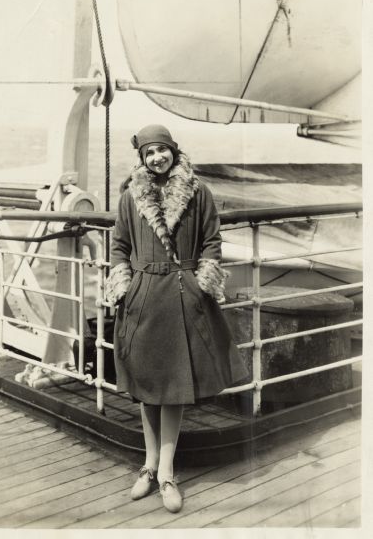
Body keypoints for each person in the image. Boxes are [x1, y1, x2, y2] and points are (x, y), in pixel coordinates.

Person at [105, 124, 247, 513]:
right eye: (149, 153)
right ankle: (148, 466)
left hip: (185, 297)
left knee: (173, 388)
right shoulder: (130, 197)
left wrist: (203, 281)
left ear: (173, 151)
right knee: (147, 386)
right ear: (142, 158)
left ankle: (166, 471)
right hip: (144, 296)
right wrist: (123, 283)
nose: (156, 158)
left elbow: (212, 241)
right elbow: (119, 246)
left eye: (162, 151)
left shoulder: (198, 192)